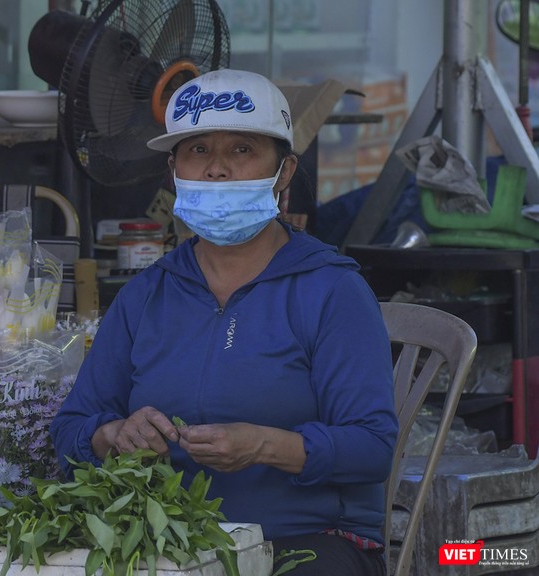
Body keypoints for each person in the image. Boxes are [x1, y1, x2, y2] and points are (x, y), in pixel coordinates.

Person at [49, 69, 398, 576]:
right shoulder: (147, 295)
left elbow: (372, 448)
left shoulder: (331, 291)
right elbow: (70, 431)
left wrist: (264, 446)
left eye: (241, 150)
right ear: (173, 171)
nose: (216, 169)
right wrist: (114, 434)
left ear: (283, 172)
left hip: (305, 544)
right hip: (168, 542)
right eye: (198, 150)